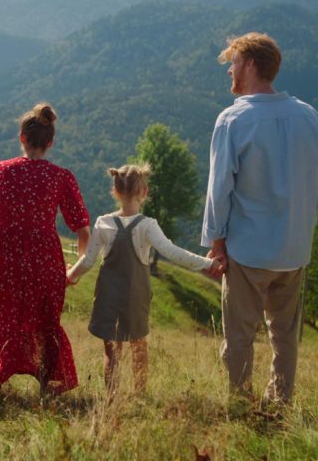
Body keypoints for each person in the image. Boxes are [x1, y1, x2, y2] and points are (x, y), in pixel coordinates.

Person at [201, 32, 318, 406]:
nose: (230, 72)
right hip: (294, 248)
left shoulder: (234, 119)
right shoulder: (310, 117)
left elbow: (218, 189)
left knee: (239, 334)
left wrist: (216, 243)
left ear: (251, 64)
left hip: (249, 249)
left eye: (233, 63)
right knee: (285, 335)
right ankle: (280, 404)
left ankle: (241, 402)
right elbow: (316, 188)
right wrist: (304, 232)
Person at [0, 103, 91, 396]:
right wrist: (75, 271)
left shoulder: (1, 171)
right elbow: (83, 229)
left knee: (4, 320)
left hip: (6, 259)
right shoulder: (61, 177)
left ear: (21, 137)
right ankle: (49, 384)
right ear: (50, 143)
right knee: (46, 322)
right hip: (46, 261)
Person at [67, 164, 223, 395]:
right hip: (135, 297)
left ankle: (111, 399)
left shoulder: (103, 223)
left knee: (111, 352)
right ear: (144, 192)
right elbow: (173, 253)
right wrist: (209, 263)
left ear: (116, 192)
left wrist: (69, 276)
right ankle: (139, 396)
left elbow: (88, 261)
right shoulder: (148, 226)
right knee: (139, 346)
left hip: (107, 297)